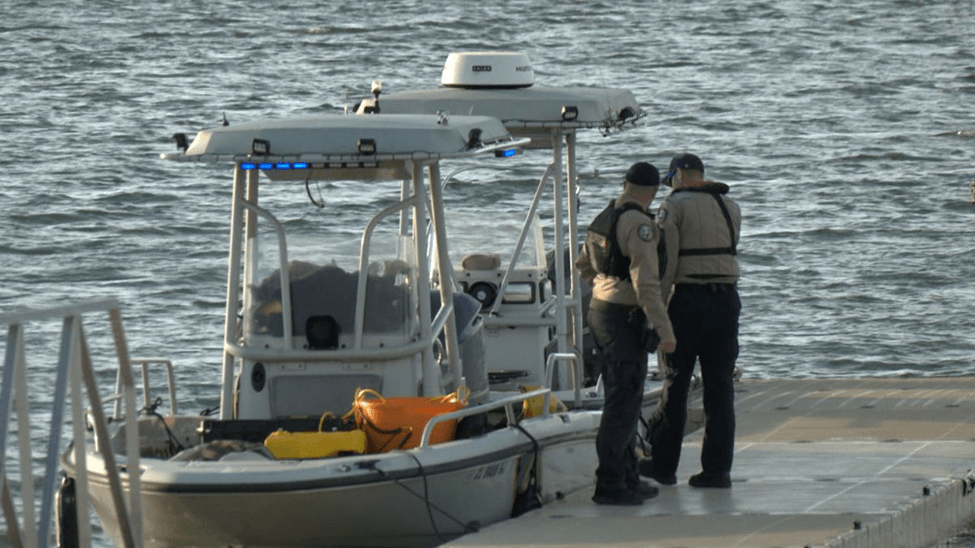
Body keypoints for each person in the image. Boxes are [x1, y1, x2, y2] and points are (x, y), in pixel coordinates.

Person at [575, 162, 677, 505]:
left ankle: (628, 475)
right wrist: (665, 331)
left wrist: (603, 289)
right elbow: (646, 284)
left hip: (600, 311)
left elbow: (582, 265)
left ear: (624, 184)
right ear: (652, 193)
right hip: (622, 318)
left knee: (626, 399)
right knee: (623, 402)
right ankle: (610, 484)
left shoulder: (603, 217)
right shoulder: (640, 225)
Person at [641, 153, 741, 489]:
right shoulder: (731, 206)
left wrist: (655, 309)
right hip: (727, 301)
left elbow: (666, 260)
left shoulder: (674, 205)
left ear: (681, 176)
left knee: (676, 381)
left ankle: (664, 465)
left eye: (670, 178)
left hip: (687, 301)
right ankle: (717, 470)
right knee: (720, 387)